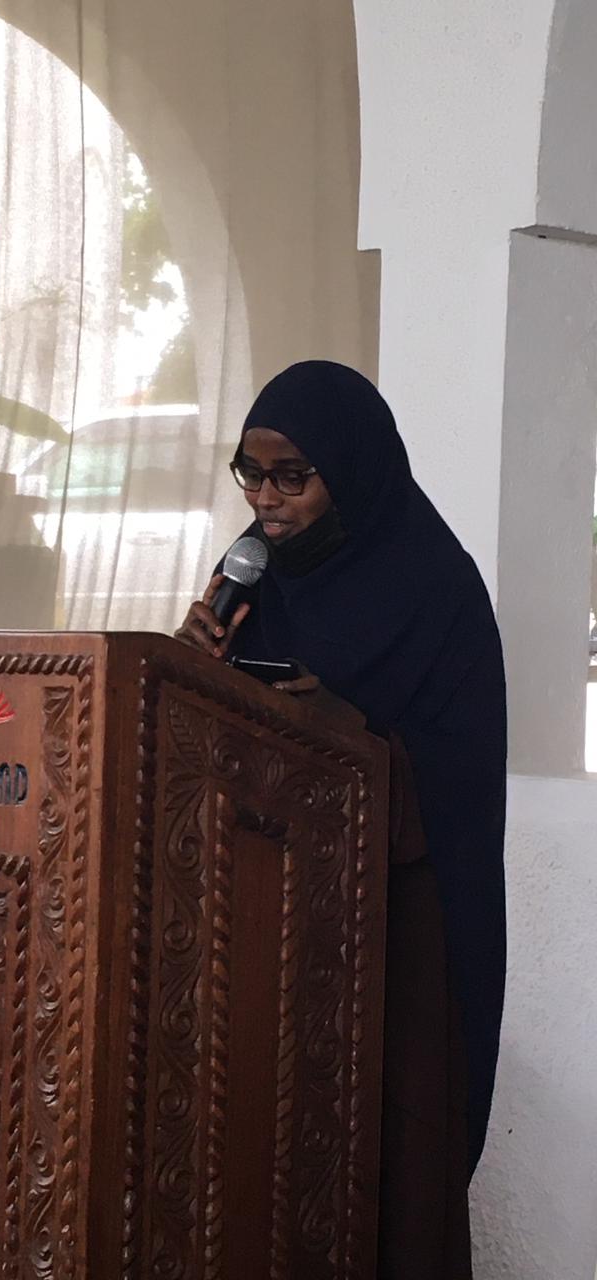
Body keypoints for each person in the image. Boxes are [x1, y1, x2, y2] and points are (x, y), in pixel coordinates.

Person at [176, 360, 506, 1278]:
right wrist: (192, 668)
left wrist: (347, 731)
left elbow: (461, 778)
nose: (266, 500)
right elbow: (213, 747)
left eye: (292, 477)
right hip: (270, 917)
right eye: (251, 473)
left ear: (352, 472)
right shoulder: (251, 575)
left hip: (404, 931)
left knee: (391, 1150)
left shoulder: (435, 587)